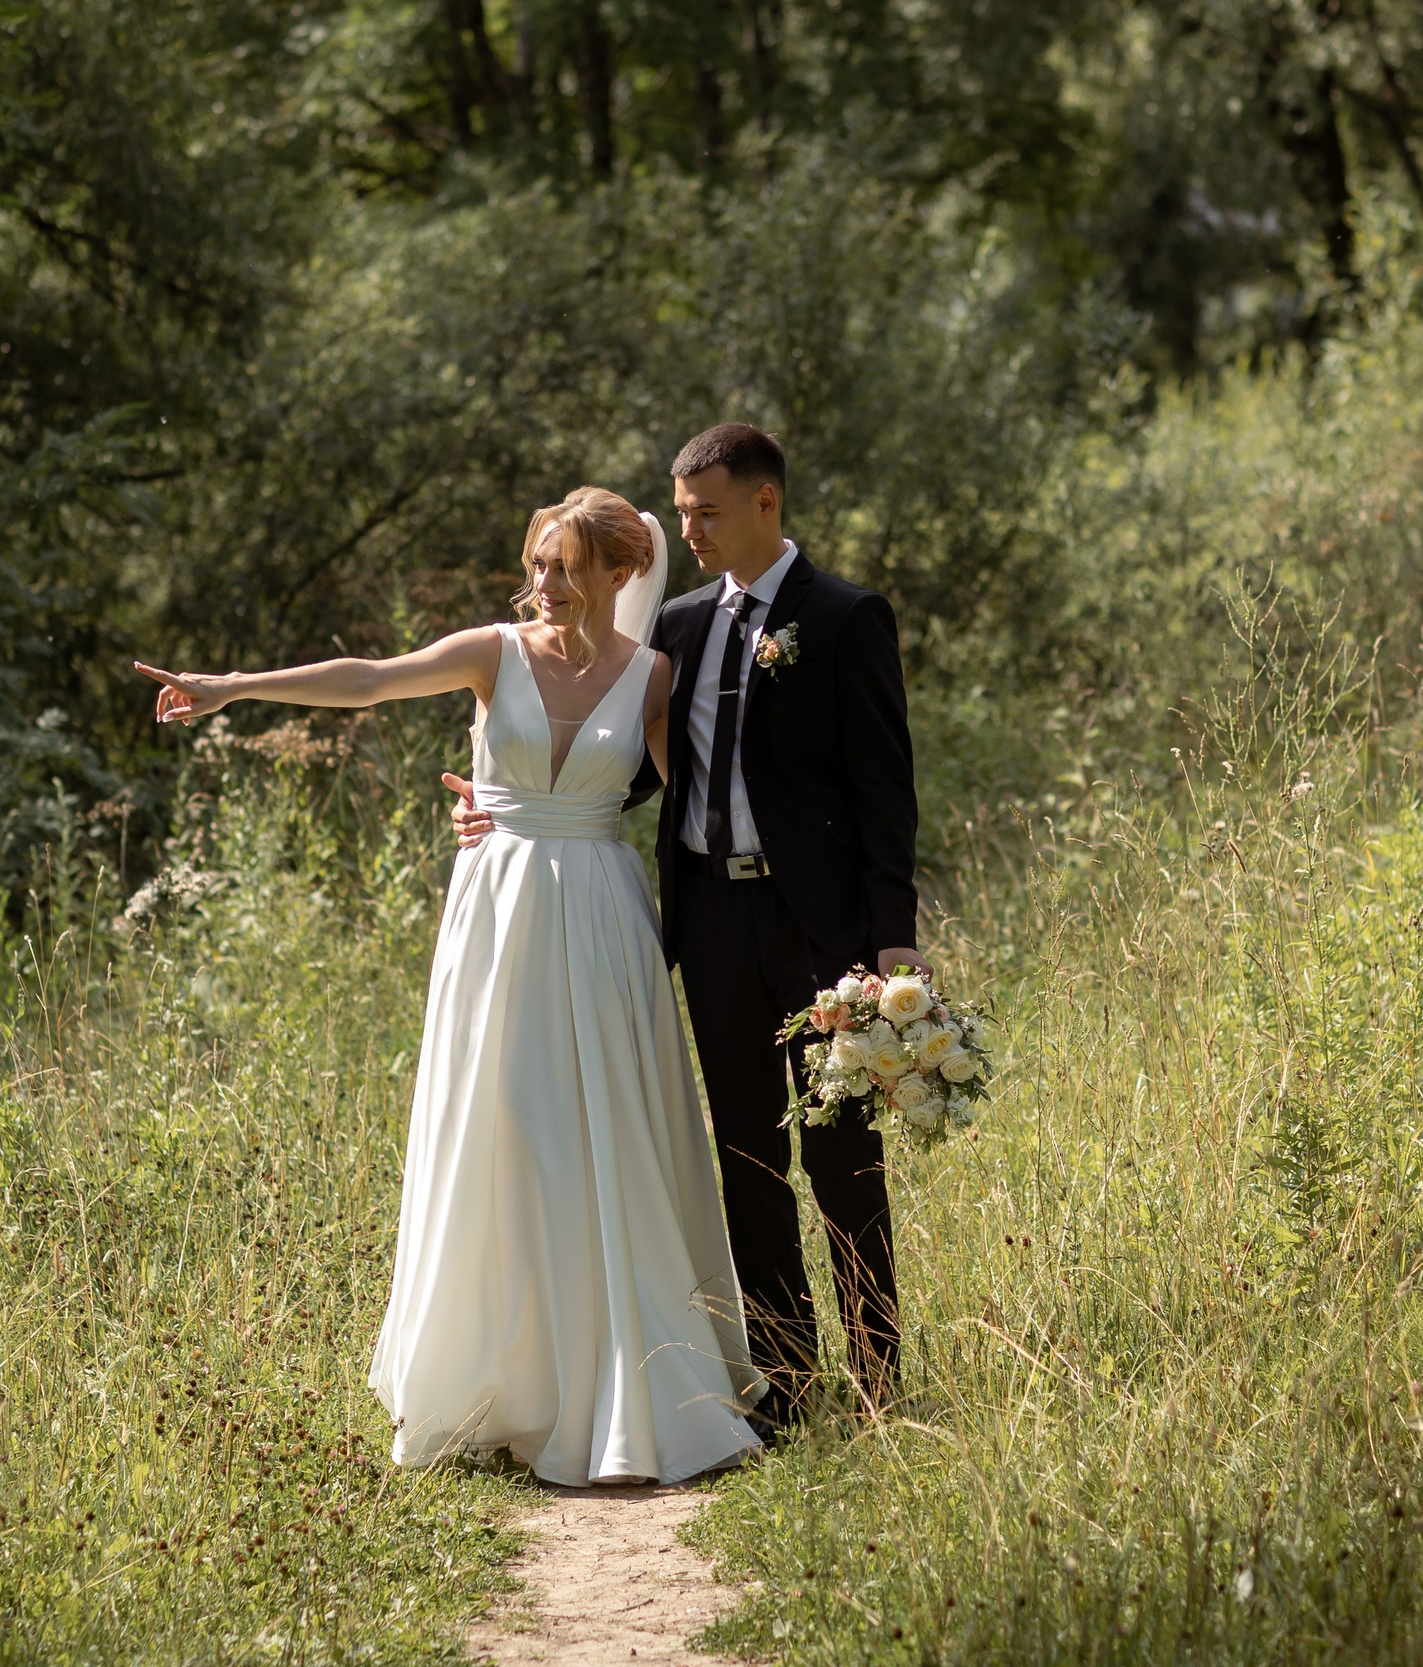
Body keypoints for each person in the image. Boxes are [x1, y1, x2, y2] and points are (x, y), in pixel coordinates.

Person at [134, 486, 765, 1487]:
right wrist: (232, 686)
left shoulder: (652, 676)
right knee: (504, 1123)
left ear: (618, 574)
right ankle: (497, 1379)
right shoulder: (492, 653)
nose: (545, 583)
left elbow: (700, 796)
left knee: (604, 1129)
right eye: (538, 563)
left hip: (604, 916)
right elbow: (371, 679)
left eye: (566, 567)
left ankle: (623, 1380)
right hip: (499, 913)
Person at [449, 424, 920, 1428]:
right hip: (709, 925)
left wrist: (893, 943)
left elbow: (886, 791)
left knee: (842, 1157)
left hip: (821, 935)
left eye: (705, 511)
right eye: (682, 511)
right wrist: (503, 806)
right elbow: (623, 764)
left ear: (764, 502)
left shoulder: (844, 617)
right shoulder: (679, 625)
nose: (688, 530)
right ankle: (785, 1386)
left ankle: (881, 1384)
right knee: (747, 1158)